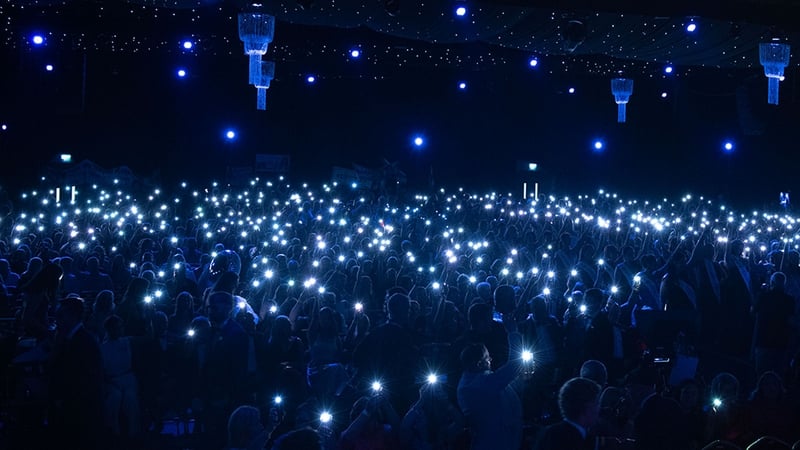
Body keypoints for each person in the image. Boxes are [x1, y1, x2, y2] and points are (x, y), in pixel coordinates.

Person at [457, 310, 523, 450]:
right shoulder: (477, 385)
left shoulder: (480, 380)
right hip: (494, 443)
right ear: (479, 364)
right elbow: (514, 366)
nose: (491, 360)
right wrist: (513, 332)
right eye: (487, 358)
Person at [48, 297, 105, 449]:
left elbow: (80, 378)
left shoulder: (81, 342)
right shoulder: (80, 339)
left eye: (60, 316)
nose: (57, 320)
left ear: (71, 316)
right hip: (77, 407)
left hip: (78, 409)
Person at [535, 377, 601, 450]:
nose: (599, 408)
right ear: (588, 406)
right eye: (597, 403)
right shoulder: (577, 442)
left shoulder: (548, 433)